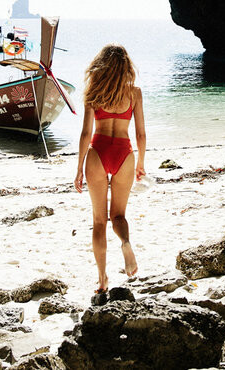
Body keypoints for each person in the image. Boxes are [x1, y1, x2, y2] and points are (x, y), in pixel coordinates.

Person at [74, 44, 147, 295]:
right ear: (126, 66)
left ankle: (102, 279)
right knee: (119, 216)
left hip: (98, 151)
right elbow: (140, 134)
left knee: (99, 221)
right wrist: (141, 163)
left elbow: (86, 133)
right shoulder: (134, 93)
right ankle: (125, 242)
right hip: (124, 154)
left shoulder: (93, 92)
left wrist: (79, 167)